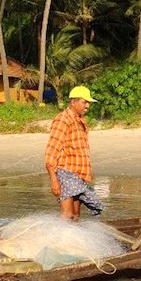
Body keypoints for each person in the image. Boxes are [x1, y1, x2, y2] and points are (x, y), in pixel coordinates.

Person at [44, 85, 103, 220]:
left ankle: (73, 241)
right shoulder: (63, 119)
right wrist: (54, 180)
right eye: (84, 102)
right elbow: (52, 151)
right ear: (73, 102)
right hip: (66, 172)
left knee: (76, 216)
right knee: (67, 214)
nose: (87, 106)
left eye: (88, 102)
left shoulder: (80, 120)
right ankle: (62, 240)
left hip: (78, 174)